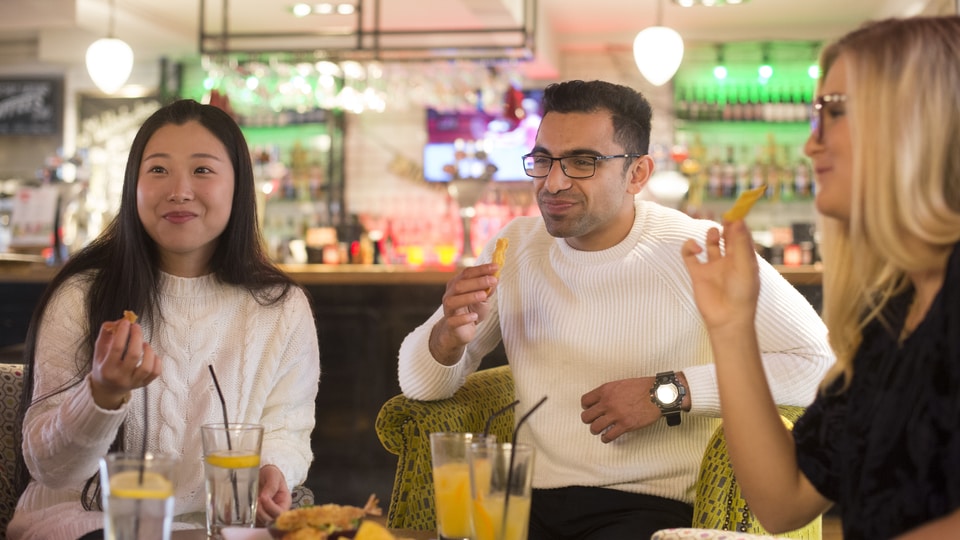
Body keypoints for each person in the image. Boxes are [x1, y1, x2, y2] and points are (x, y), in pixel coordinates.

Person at [397, 79, 834, 539]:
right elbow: (420, 387)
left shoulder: (698, 249)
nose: (553, 182)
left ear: (638, 174)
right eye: (543, 160)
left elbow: (824, 368)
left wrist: (670, 392)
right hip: (524, 502)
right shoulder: (517, 245)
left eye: (583, 162)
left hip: (647, 509)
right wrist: (446, 339)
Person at [681, 16, 960, 539]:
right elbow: (783, 501)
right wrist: (731, 324)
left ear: (917, 122)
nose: (811, 145)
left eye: (832, 113)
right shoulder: (892, 315)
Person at [8, 99, 321, 540]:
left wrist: (274, 467)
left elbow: (288, 428)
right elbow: (48, 468)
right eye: (157, 170)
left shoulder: (280, 306)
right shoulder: (82, 295)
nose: (179, 190)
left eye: (202, 170)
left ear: (239, 186)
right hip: (87, 524)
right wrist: (102, 395)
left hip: (217, 528)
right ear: (132, 184)